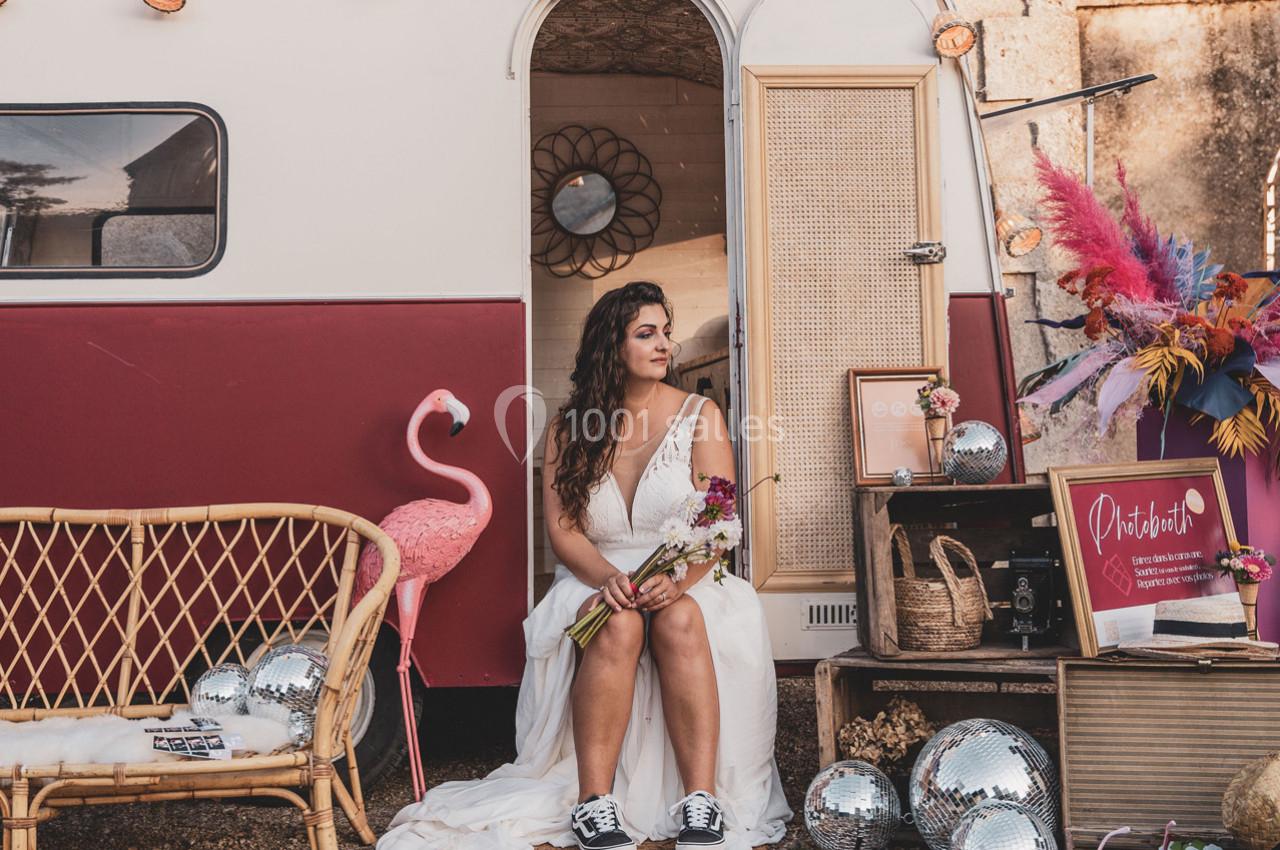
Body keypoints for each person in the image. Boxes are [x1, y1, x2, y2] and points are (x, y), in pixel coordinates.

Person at [380, 281, 791, 850]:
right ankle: (594, 804)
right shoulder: (569, 429)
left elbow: (716, 520)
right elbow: (563, 531)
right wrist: (610, 581)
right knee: (615, 621)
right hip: (597, 573)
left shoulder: (703, 415)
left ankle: (702, 802)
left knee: (682, 620)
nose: (664, 344)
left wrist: (677, 582)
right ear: (610, 346)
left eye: (665, 332)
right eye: (646, 333)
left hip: (689, 573)